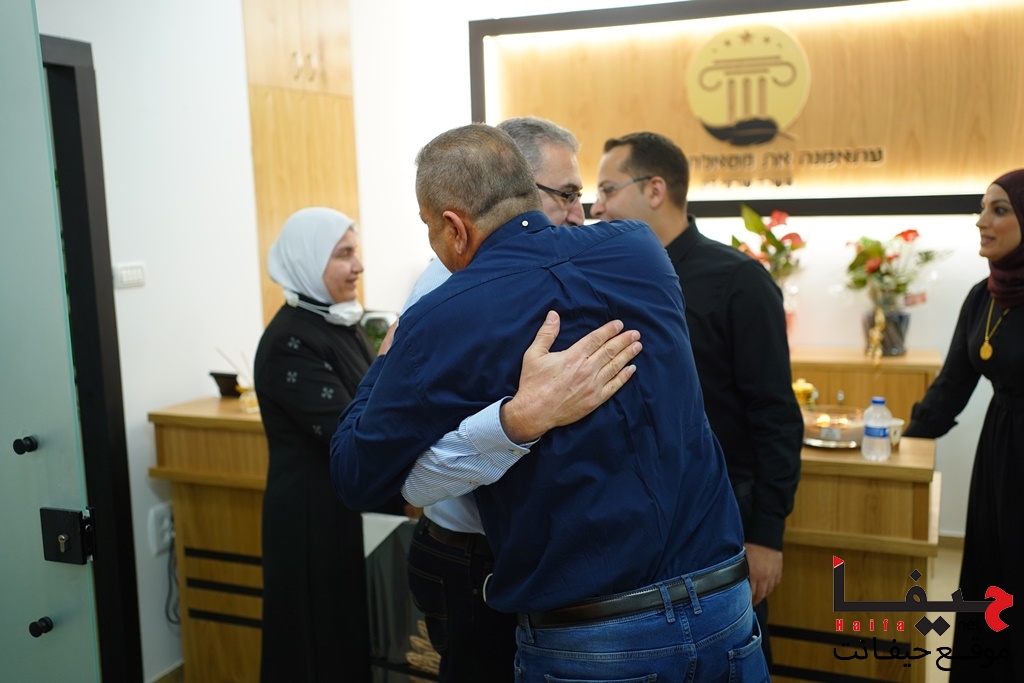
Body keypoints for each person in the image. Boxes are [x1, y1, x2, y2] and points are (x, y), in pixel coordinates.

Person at [331, 123, 767, 681]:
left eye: (428, 228)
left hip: (594, 640)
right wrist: (513, 421)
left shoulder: (443, 317)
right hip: (723, 608)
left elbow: (354, 474)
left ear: (454, 228)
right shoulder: (640, 249)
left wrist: (387, 356)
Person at [591, 131, 804, 664]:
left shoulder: (738, 281)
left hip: (726, 512)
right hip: (635, 517)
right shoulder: (609, 278)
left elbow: (775, 414)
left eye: (608, 189)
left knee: (731, 655)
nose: (596, 207)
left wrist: (767, 536)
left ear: (655, 189)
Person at [398, 116, 597, 683]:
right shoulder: (447, 290)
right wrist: (521, 420)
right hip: (472, 555)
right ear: (514, 193)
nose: (579, 214)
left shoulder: (545, 272)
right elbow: (411, 450)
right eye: (566, 196)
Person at [254, 207, 399, 682]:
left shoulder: (338, 323)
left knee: (343, 640)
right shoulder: (290, 341)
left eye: (356, 252)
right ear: (307, 260)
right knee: (313, 646)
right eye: (343, 254)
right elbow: (350, 430)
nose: (359, 266)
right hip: (309, 522)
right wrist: (389, 362)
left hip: (340, 511)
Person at [904, 169, 1024, 681]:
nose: (981, 221)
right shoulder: (984, 296)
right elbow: (952, 385)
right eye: (981, 209)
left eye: (999, 209)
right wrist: (904, 442)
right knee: (996, 578)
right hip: (1000, 455)